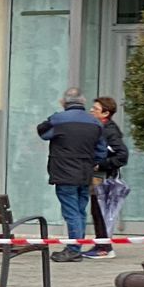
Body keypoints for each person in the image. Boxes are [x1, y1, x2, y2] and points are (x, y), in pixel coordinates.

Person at [36, 88, 109, 261]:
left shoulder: (58, 119)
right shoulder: (95, 122)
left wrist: (52, 118)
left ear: (64, 102)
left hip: (64, 172)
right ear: (83, 102)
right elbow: (101, 152)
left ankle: (74, 249)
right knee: (80, 210)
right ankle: (77, 246)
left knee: (71, 211)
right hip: (85, 172)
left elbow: (42, 133)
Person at [88, 95, 128, 259]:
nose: (91, 110)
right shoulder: (98, 127)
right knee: (96, 211)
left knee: (101, 211)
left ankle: (104, 247)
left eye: (95, 109)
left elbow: (122, 155)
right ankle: (101, 244)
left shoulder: (109, 131)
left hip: (104, 178)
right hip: (97, 177)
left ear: (105, 113)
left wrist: (100, 165)